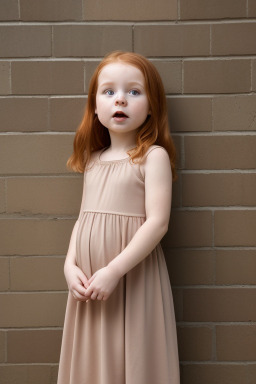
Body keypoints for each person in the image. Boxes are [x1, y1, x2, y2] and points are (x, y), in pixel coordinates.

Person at [57, 50, 180, 384]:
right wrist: (70, 267)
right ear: (95, 107)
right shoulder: (93, 159)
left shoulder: (152, 157)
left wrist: (113, 271)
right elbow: (82, 220)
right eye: (109, 92)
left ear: (152, 105)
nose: (120, 100)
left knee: (134, 358)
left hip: (131, 279)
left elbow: (158, 223)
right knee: (94, 363)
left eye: (134, 92)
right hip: (89, 286)